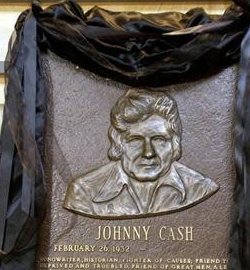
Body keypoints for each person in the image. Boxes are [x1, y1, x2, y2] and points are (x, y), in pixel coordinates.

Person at [63, 89, 219, 219]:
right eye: (135, 140)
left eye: (159, 139)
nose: (148, 153)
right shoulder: (84, 193)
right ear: (118, 144)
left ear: (174, 143)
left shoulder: (200, 188)